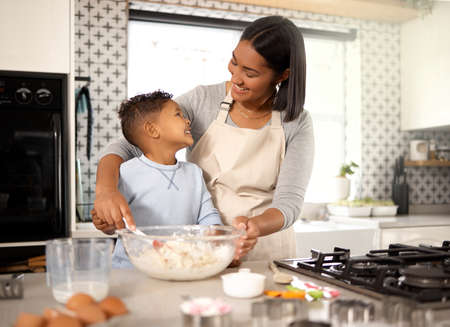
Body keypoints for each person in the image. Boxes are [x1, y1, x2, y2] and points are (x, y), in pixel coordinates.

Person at [93, 15, 314, 261]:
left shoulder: (296, 122)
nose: (236, 77)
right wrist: (105, 190)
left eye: (250, 73)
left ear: (282, 76)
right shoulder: (203, 100)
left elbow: (290, 203)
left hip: (264, 249)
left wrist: (254, 227)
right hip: (200, 249)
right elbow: (129, 144)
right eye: (234, 62)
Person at [100, 91, 223, 268]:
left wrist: (216, 238)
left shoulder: (194, 173)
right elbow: (114, 222)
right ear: (152, 129)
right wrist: (105, 223)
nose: (187, 120)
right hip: (131, 269)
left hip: (179, 266)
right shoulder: (127, 172)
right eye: (178, 114)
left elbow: (207, 216)